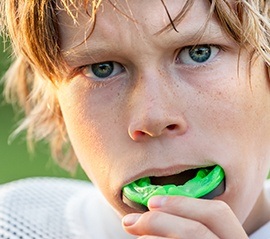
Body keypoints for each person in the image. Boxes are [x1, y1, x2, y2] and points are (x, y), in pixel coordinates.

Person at [0, 0, 269, 238]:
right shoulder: (14, 225)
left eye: (199, 52)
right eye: (102, 69)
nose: (152, 118)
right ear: (56, 105)